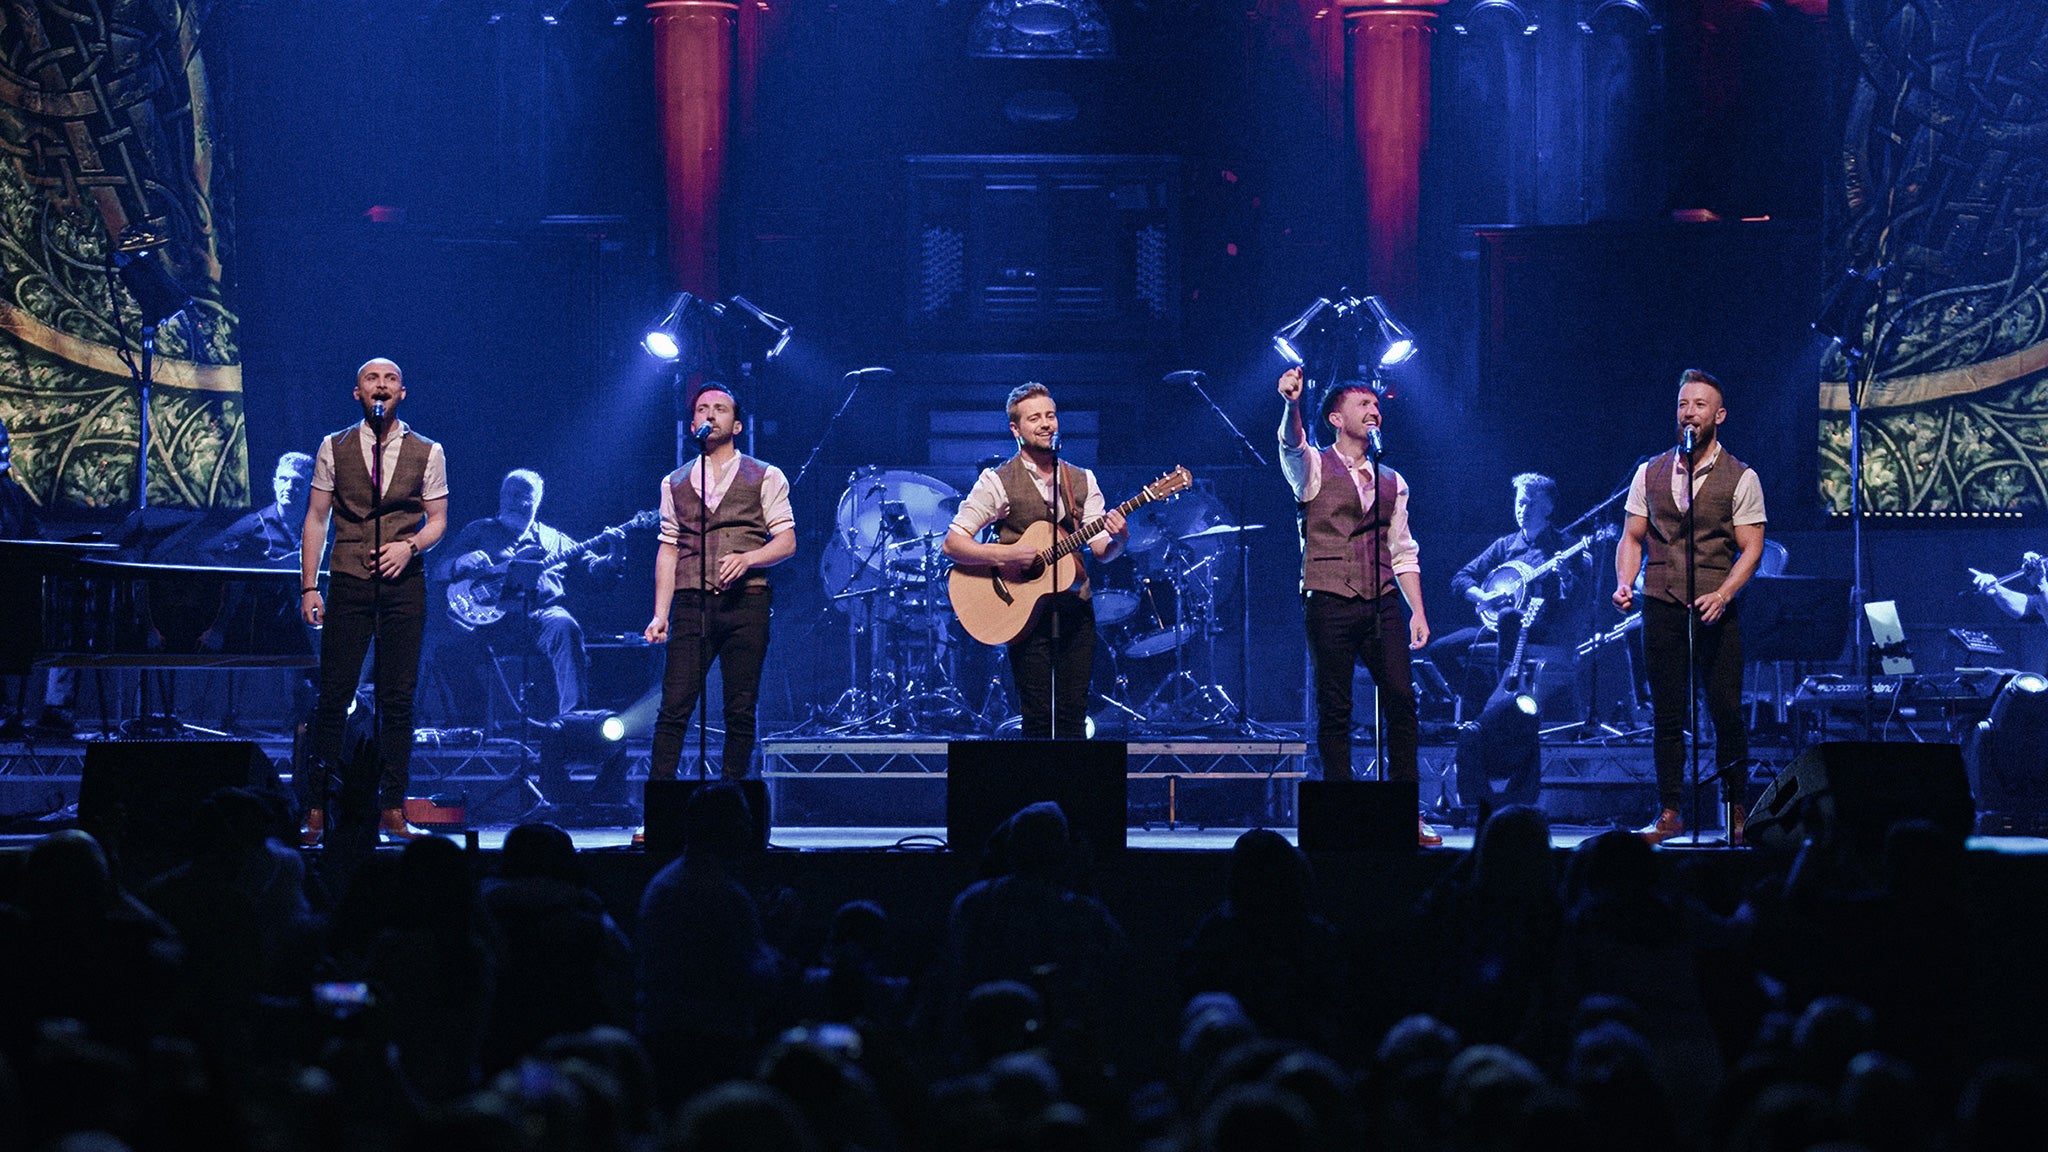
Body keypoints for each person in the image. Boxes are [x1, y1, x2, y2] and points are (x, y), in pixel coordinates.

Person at [1277, 367, 1439, 846]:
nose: (1374, 411)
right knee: (1336, 707)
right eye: (1362, 405)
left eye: (1376, 405)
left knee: (1402, 702)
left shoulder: (1393, 480)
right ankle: (1342, 813)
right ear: (1335, 417)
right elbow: (1290, 444)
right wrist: (1291, 405)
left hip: (1383, 600)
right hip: (1328, 596)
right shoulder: (1311, 466)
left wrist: (1419, 611)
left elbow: (1403, 548)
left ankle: (1406, 812)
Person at [298, 357, 449, 847]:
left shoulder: (428, 451)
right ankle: (317, 808)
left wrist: (410, 546)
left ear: (402, 393)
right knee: (333, 698)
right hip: (348, 582)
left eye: (390, 380)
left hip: (404, 586)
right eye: (371, 379)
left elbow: (438, 519)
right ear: (357, 393)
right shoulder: (333, 446)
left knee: (397, 700)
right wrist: (309, 585)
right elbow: (317, 518)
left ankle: (391, 807)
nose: (380, 385)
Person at [1612, 368, 1766, 845]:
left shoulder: (1742, 476)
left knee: (1724, 711)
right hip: (1660, 602)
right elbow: (1632, 536)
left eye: (1699, 405)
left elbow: (1752, 547)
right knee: (1667, 715)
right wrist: (1624, 581)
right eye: (1683, 405)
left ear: (1718, 415)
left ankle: (1736, 812)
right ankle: (1670, 811)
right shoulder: (1650, 471)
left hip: (1713, 608)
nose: (1689, 413)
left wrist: (1723, 594)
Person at [942, 382, 1129, 738]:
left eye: (1050, 415)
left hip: (1075, 607)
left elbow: (1103, 551)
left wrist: (1120, 536)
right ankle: (1039, 793)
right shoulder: (997, 481)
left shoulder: (1081, 480)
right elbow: (953, 544)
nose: (1046, 424)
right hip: (1023, 611)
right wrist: (1008, 553)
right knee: (1038, 719)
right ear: (1016, 429)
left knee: (1074, 718)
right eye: (1035, 418)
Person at [645, 383, 795, 783]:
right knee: (674, 706)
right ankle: (658, 809)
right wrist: (661, 614)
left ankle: (732, 807)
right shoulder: (673, 482)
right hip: (692, 605)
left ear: (738, 425)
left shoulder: (766, 476)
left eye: (720, 409)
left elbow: (787, 541)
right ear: (691, 422)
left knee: (739, 709)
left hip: (747, 602)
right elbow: (668, 549)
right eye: (702, 408)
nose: (710, 415)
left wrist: (750, 558)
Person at [435, 469, 623, 721]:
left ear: (537, 501)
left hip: (541, 617)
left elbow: (594, 576)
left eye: (525, 495)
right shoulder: (479, 531)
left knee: (565, 625)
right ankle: (475, 722)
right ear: (501, 497)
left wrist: (614, 557)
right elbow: (438, 570)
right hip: (489, 625)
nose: (516, 501)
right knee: (447, 652)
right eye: (510, 494)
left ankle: (574, 722)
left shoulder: (555, 540)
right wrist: (459, 562)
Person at [1430, 473, 1592, 718]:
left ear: (1547, 507)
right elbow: (1461, 578)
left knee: (1508, 617)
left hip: (1542, 629)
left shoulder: (1566, 546)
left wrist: (1565, 576)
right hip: (1501, 628)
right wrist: (1482, 598)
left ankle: (1502, 703)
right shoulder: (1505, 545)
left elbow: (1577, 600)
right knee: (1440, 649)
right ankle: (1483, 701)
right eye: (1519, 503)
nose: (1522, 509)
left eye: (1530, 503)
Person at [203, 452, 315, 566]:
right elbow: (205, 550)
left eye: (298, 482)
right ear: (275, 484)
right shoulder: (254, 523)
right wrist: (233, 578)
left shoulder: (325, 526)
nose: (289, 487)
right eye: (283, 479)